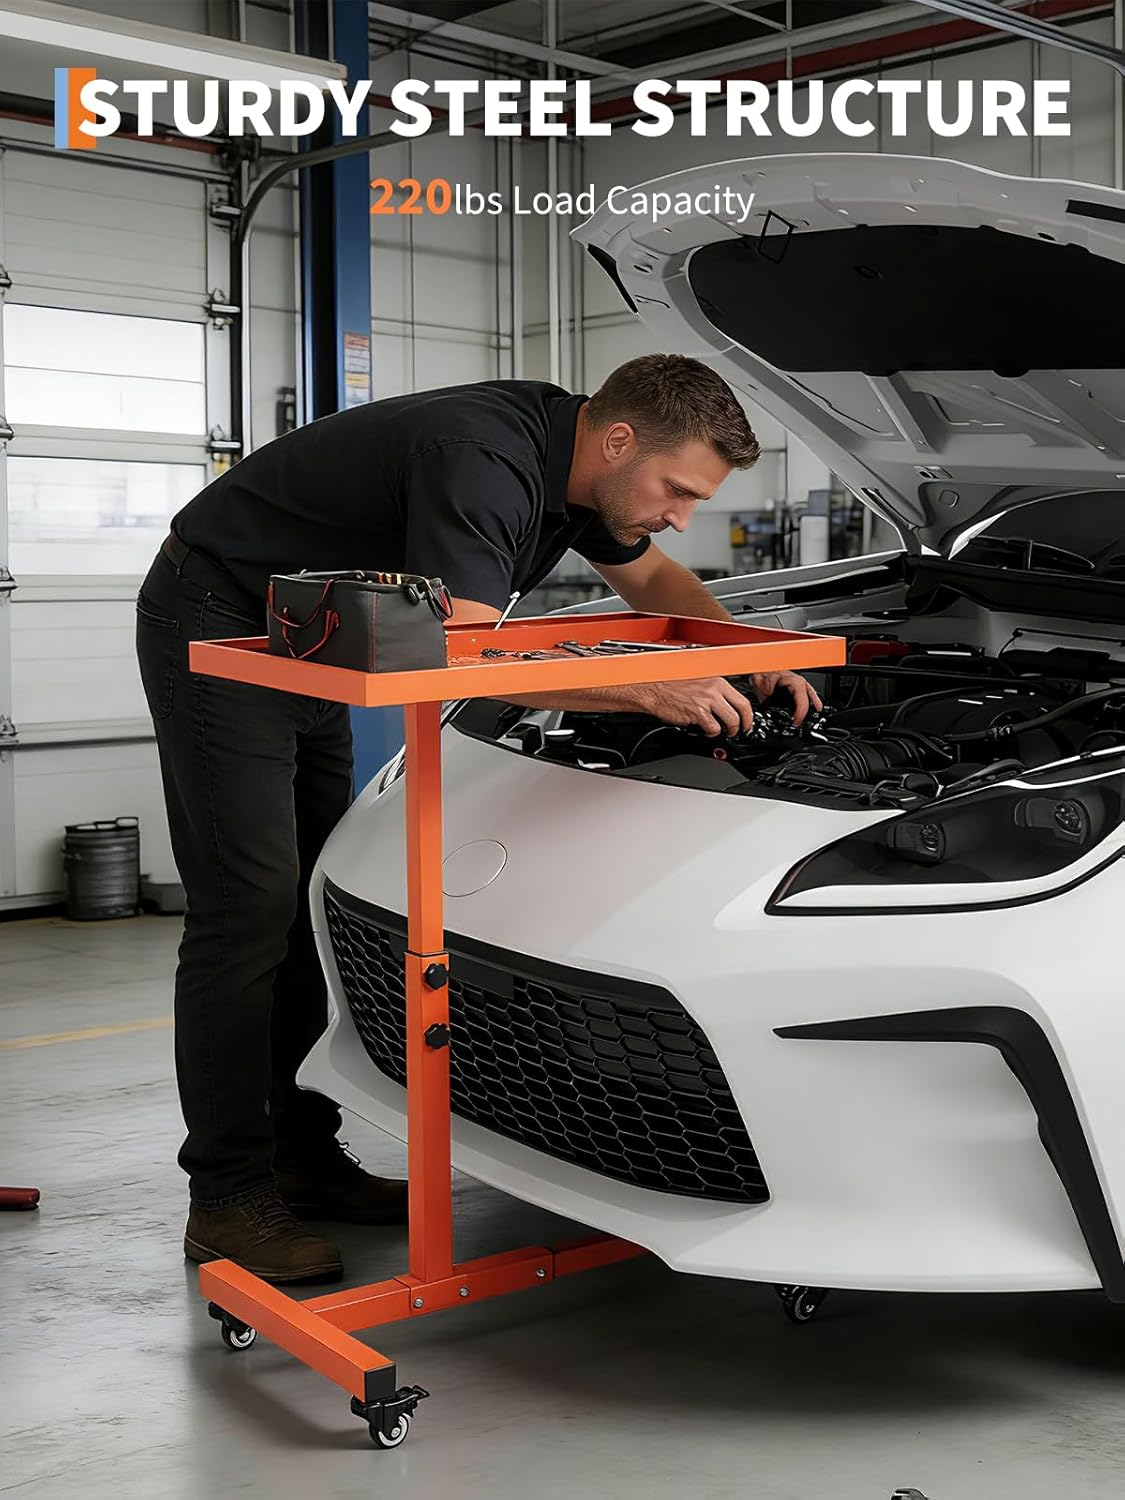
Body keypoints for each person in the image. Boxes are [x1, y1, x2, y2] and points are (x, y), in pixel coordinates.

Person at [136, 353, 821, 1284]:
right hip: (219, 620)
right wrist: (651, 686)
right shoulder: (484, 461)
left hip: (315, 627)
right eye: (676, 489)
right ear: (618, 439)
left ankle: (298, 1161)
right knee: (244, 909)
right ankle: (224, 1199)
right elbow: (461, 649)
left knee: (291, 899)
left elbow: (657, 582)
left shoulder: (587, 472)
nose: (679, 515)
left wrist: (744, 656)